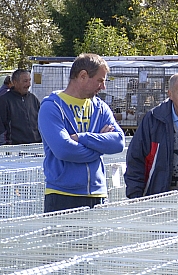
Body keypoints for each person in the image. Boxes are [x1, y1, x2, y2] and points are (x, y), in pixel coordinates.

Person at [38, 54, 125, 212]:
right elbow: (64, 150)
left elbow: (118, 142)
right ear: (83, 76)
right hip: (62, 195)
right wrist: (100, 147)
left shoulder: (100, 107)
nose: (103, 87)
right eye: (100, 80)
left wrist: (81, 138)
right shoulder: (51, 107)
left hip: (98, 194)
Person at [0, 68, 42, 145]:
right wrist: (4, 147)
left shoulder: (33, 98)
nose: (28, 84)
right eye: (25, 81)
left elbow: (41, 122)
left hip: (36, 145)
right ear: (15, 82)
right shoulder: (4, 100)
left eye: (29, 80)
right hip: (15, 148)